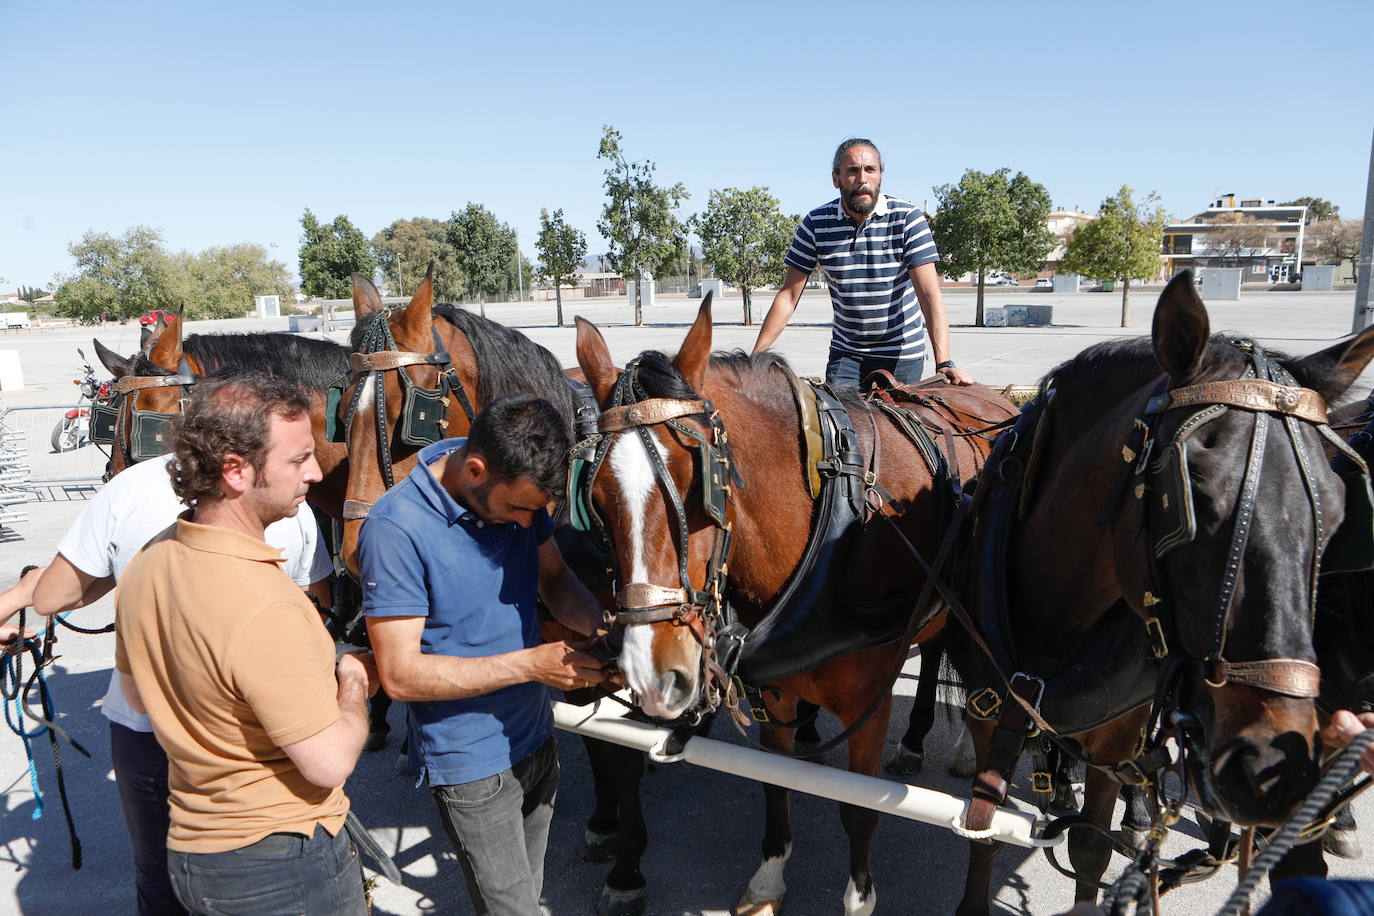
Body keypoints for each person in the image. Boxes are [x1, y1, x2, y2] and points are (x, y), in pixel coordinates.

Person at [0, 450, 333, 916]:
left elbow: (56, 595)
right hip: (262, 737)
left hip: (149, 730)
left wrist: (20, 592)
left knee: (160, 879)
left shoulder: (132, 487)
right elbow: (318, 597)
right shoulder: (288, 498)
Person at [114, 370, 377, 915]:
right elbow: (329, 763)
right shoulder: (266, 604)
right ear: (235, 470)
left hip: (194, 856)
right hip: (281, 865)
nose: (315, 471)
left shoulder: (151, 560)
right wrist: (353, 682)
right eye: (298, 459)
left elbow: (141, 701)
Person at [357, 393, 608, 915]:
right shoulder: (395, 529)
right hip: (472, 766)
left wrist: (609, 630)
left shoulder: (516, 482)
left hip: (537, 738)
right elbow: (400, 677)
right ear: (474, 470)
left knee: (528, 898)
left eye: (533, 513)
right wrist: (532, 663)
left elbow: (556, 579)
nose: (524, 524)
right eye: (517, 508)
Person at [752, 137, 975, 390]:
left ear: (880, 176)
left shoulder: (908, 219)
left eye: (870, 170)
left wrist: (943, 362)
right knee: (840, 427)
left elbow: (929, 295)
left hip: (901, 354)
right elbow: (788, 297)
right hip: (846, 355)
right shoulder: (815, 224)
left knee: (898, 427)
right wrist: (755, 359)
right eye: (852, 171)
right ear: (836, 179)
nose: (862, 179)